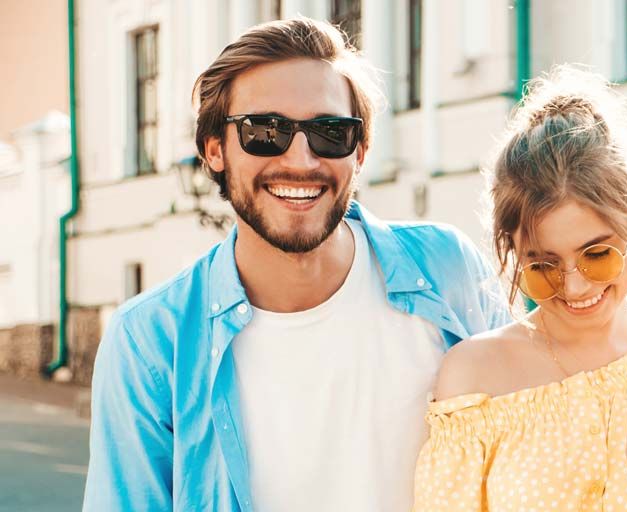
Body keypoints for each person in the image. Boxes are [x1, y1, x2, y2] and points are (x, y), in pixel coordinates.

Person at [82, 18, 507, 512]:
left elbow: (543, 417)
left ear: (361, 151)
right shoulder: (151, 341)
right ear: (214, 149)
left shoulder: (448, 271)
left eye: (330, 132)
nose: (302, 160)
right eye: (266, 131)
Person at [412, 66, 627, 511]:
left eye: (597, 255)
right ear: (512, 250)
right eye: (543, 265)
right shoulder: (473, 377)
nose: (573, 286)